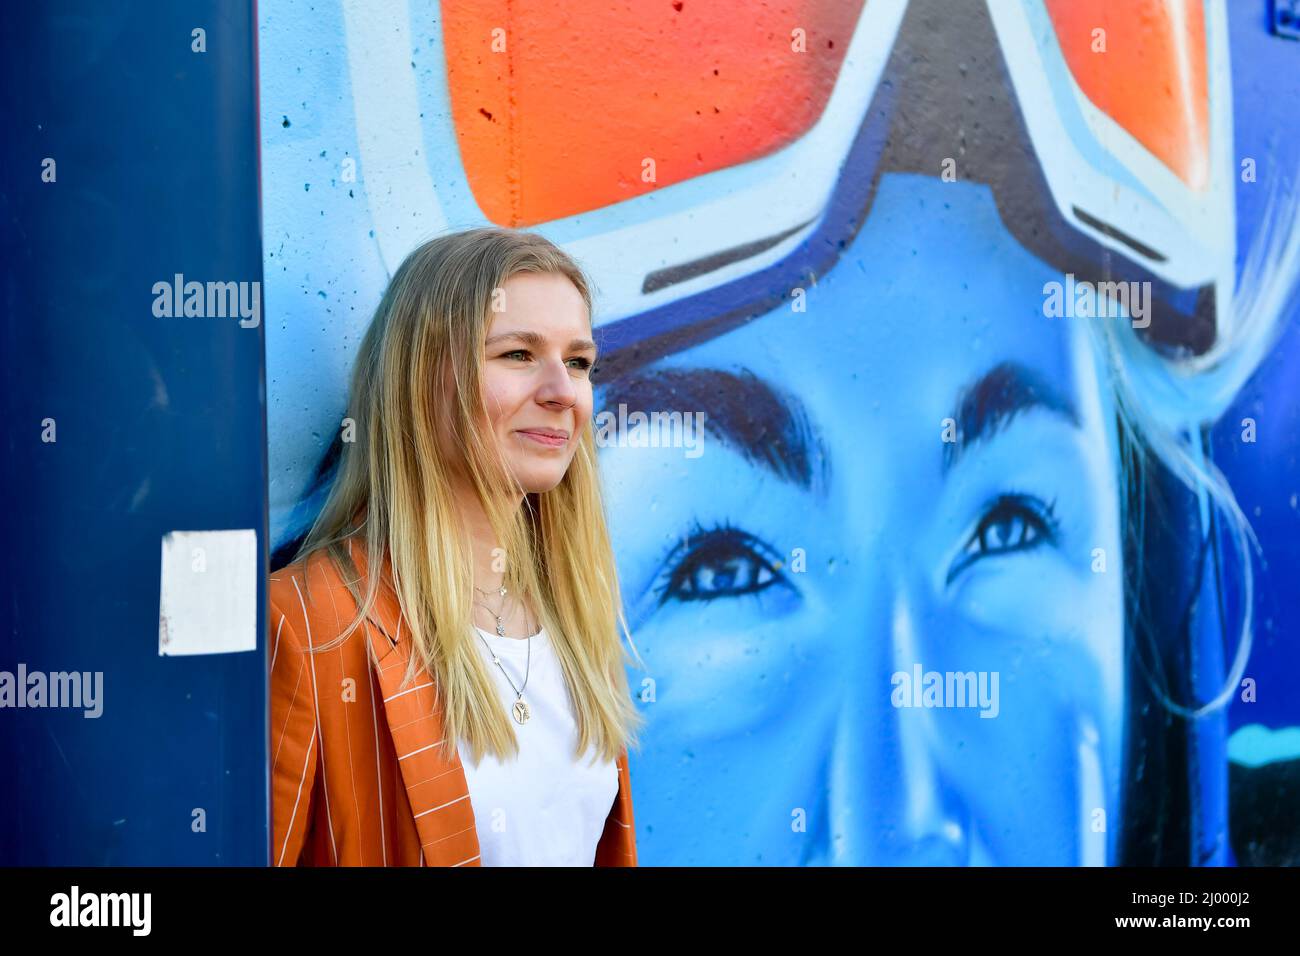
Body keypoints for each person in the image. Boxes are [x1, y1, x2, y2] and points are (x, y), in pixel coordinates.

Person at [269, 226, 645, 866]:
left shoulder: (575, 614)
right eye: (518, 355)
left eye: (578, 361)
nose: (561, 392)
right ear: (422, 380)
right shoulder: (309, 624)